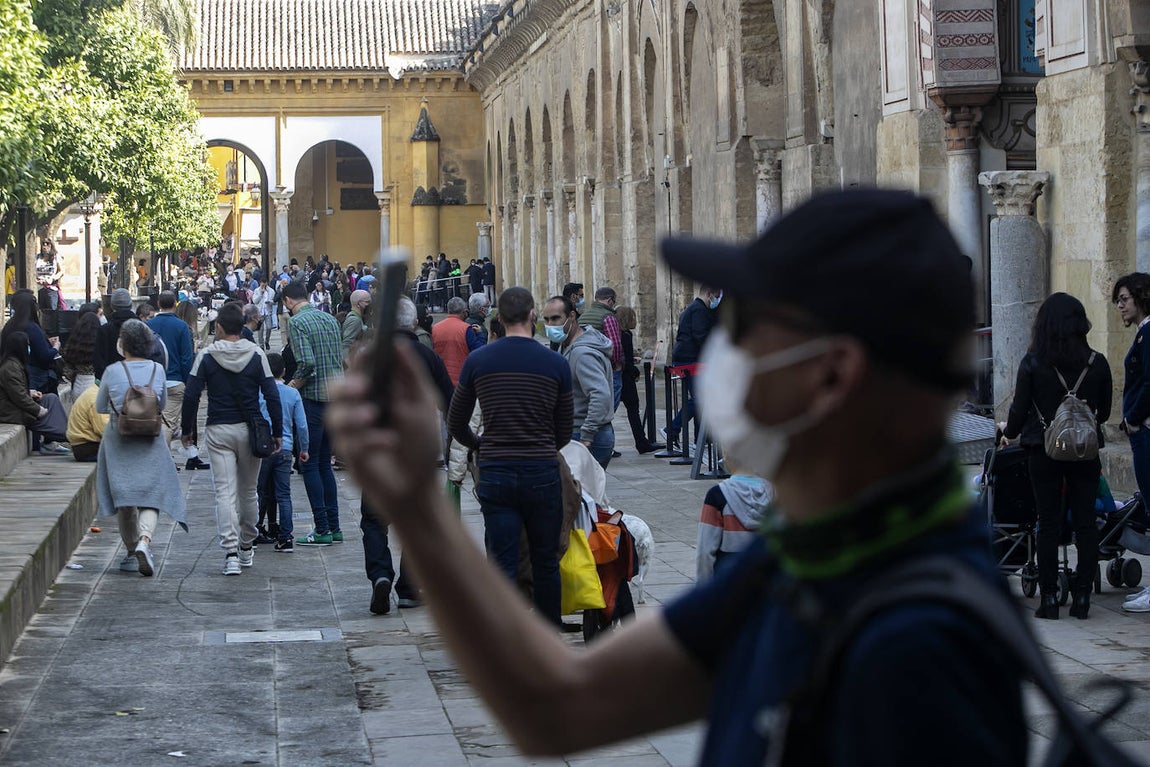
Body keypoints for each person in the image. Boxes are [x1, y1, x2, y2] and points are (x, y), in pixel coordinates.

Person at [327, 190, 1029, 764]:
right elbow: (556, 704)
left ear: (832, 374)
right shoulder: (818, 557)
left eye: (753, 330)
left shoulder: (920, 651)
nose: (730, 351)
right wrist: (416, 504)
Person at [443, 286, 572, 626]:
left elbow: (455, 420)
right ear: (533, 315)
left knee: (502, 561)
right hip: (542, 471)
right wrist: (543, 445)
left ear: (498, 318)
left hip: (497, 470)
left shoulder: (480, 360)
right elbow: (565, 430)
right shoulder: (556, 364)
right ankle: (548, 638)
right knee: (546, 560)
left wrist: (478, 443)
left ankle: (506, 639)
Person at [1000, 293, 1111, 619]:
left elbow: (1017, 420)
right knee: (1086, 524)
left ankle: (1048, 599)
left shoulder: (1033, 363)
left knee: (1046, 523)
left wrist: (1008, 429)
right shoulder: (1098, 363)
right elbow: (1102, 413)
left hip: (1043, 450)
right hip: (1085, 452)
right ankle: (1081, 600)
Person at [364, 297, 454, 614]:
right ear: (414, 323)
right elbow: (450, 403)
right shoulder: (428, 357)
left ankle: (379, 574)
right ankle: (408, 587)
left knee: (374, 521)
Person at [182, 303, 283, 574]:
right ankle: (247, 546)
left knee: (224, 492)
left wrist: (186, 429)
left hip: (218, 429)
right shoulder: (257, 354)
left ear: (219, 327)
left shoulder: (206, 355)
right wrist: (276, 431)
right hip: (250, 430)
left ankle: (230, 554)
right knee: (249, 491)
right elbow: (272, 395)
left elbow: (191, 395)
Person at [96, 320, 187, 576]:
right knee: (153, 494)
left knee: (124, 499)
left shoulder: (113, 371)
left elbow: (100, 406)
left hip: (119, 438)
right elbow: (161, 402)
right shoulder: (157, 370)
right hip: (150, 438)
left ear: (123, 343)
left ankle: (129, 551)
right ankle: (145, 541)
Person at [281, 281, 344, 546]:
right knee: (324, 464)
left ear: (287, 301)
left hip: (313, 401)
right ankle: (334, 525)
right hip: (336, 398)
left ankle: (321, 528)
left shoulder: (296, 323)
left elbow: (306, 362)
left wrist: (292, 384)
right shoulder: (329, 319)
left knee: (309, 462)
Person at [1112, 273, 1150, 612]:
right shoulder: (1144, 334)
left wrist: (1133, 418)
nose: (1120, 306)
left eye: (1124, 298)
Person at [543, 295, 615, 468]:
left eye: (556, 318)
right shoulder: (566, 345)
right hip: (577, 433)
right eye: (546, 319)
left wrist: (586, 436)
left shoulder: (582, 354)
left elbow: (600, 394)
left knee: (580, 494)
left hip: (586, 435)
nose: (550, 325)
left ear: (572, 316)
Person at [256, 353, 308, 553]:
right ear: (285, 371)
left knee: (259, 492)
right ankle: (286, 537)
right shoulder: (293, 394)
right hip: (285, 448)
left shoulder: (259, 393)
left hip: (263, 448)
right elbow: (301, 426)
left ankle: (254, 531)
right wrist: (304, 449)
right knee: (284, 494)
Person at [662, 285, 721, 452]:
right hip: (690, 359)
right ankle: (672, 429)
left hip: (689, 358)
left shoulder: (696, 308)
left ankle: (700, 439)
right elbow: (700, 335)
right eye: (716, 296)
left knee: (700, 399)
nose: (716, 300)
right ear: (709, 294)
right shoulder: (699, 310)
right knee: (700, 399)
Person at [0, 330, 70, 454]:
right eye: (27, 346)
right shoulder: (10, 368)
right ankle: (63, 434)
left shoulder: (16, 364)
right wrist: (38, 410)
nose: (29, 349)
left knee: (51, 399)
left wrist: (31, 392)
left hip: (15, 404)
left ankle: (62, 433)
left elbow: (19, 391)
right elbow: (19, 397)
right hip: (10, 410)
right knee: (43, 416)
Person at [147, 291, 197, 466]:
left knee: (157, 421)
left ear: (159, 303)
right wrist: (186, 380)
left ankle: (160, 458)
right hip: (174, 379)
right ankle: (165, 461)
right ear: (175, 303)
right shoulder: (181, 326)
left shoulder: (149, 324)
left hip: (152, 379)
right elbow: (186, 357)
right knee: (168, 424)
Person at [695, 470, 771, 581]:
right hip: (766, 582)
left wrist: (703, 586)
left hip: (728, 580)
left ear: (726, 457)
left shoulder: (717, 494)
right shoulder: (776, 493)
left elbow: (705, 551)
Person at [615, 306, 658, 454]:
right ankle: (641, 442)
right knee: (633, 410)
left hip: (619, 376)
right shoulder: (626, 335)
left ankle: (642, 441)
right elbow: (625, 358)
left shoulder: (618, 334)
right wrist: (634, 370)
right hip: (625, 378)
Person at [1, 290, 61, 394]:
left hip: (15, 377)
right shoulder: (32, 327)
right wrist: (56, 347)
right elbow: (45, 356)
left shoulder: (9, 326)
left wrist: (46, 342)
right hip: (37, 380)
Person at [580, 287, 625, 410]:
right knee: (611, 399)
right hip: (604, 365)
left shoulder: (584, 315)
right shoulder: (608, 317)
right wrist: (617, 364)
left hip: (585, 363)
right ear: (610, 300)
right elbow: (614, 343)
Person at [433, 296, 484, 385]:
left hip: (440, 379)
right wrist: (480, 335)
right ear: (464, 312)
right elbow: (479, 352)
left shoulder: (435, 328)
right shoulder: (466, 329)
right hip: (461, 379)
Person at [61, 311, 100, 403]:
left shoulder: (74, 344)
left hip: (78, 384)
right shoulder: (100, 344)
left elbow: (67, 371)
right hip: (96, 386)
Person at [66, 383, 107, 462]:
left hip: (84, 446)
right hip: (88, 448)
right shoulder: (96, 398)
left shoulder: (94, 391)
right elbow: (104, 430)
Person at [34, 239, 64, 309]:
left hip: (51, 289)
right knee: (41, 312)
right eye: (43, 244)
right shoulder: (37, 257)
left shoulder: (56, 257)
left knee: (52, 311)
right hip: (40, 289)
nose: (45, 246)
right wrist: (37, 281)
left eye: (47, 244)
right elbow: (32, 272)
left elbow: (61, 271)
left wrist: (53, 278)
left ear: (51, 246)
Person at [251, 278, 276, 349]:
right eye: (262, 283)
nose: (263, 285)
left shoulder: (271, 291)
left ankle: (267, 341)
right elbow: (255, 301)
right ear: (260, 283)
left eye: (265, 284)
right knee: (260, 330)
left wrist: (270, 302)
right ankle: (261, 345)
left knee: (269, 327)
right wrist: (261, 294)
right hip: (260, 312)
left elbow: (274, 301)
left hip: (268, 312)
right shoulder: (256, 290)